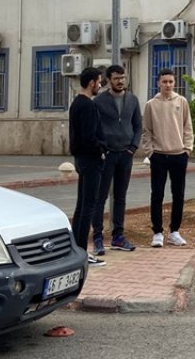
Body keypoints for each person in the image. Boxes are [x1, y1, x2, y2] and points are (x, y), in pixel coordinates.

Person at [91, 65, 142, 255]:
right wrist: (102, 148)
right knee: (100, 197)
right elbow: (95, 127)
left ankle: (118, 236)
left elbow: (138, 125)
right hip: (107, 155)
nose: (120, 81)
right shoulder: (100, 101)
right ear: (109, 80)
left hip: (125, 155)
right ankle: (97, 237)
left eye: (123, 77)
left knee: (120, 197)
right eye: (116, 78)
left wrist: (133, 147)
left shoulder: (132, 100)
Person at [143, 68, 194, 248]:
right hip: (159, 156)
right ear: (158, 83)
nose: (168, 85)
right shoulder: (151, 104)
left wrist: (187, 149)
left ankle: (174, 231)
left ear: (174, 83)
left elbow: (188, 127)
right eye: (164, 81)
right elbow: (146, 131)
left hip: (179, 155)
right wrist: (150, 151)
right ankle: (157, 232)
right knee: (157, 194)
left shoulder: (182, 102)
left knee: (178, 195)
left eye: (171, 82)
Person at [69, 67, 107, 266]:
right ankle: (82, 252)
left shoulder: (76, 103)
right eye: (99, 81)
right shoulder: (88, 106)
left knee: (81, 205)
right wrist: (101, 150)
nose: (100, 85)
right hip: (91, 160)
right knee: (88, 206)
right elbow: (89, 137)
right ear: (92, 82)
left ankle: (76, 249)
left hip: (81, 159)